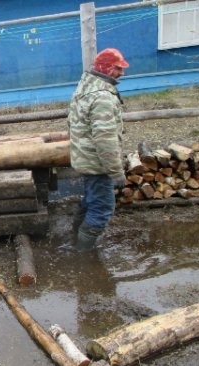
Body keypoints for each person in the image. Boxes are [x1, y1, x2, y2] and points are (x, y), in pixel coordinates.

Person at [68, 48, 129, 252]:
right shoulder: (102, 97)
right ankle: (83, 254)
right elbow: (105, 140)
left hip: (85, 159)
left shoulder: (84, 88)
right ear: (108, 68)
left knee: (90, 202)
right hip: (97, 163)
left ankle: (75, 242)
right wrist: (116, 172)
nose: (122, 73)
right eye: (119, 69)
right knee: (102, 209)